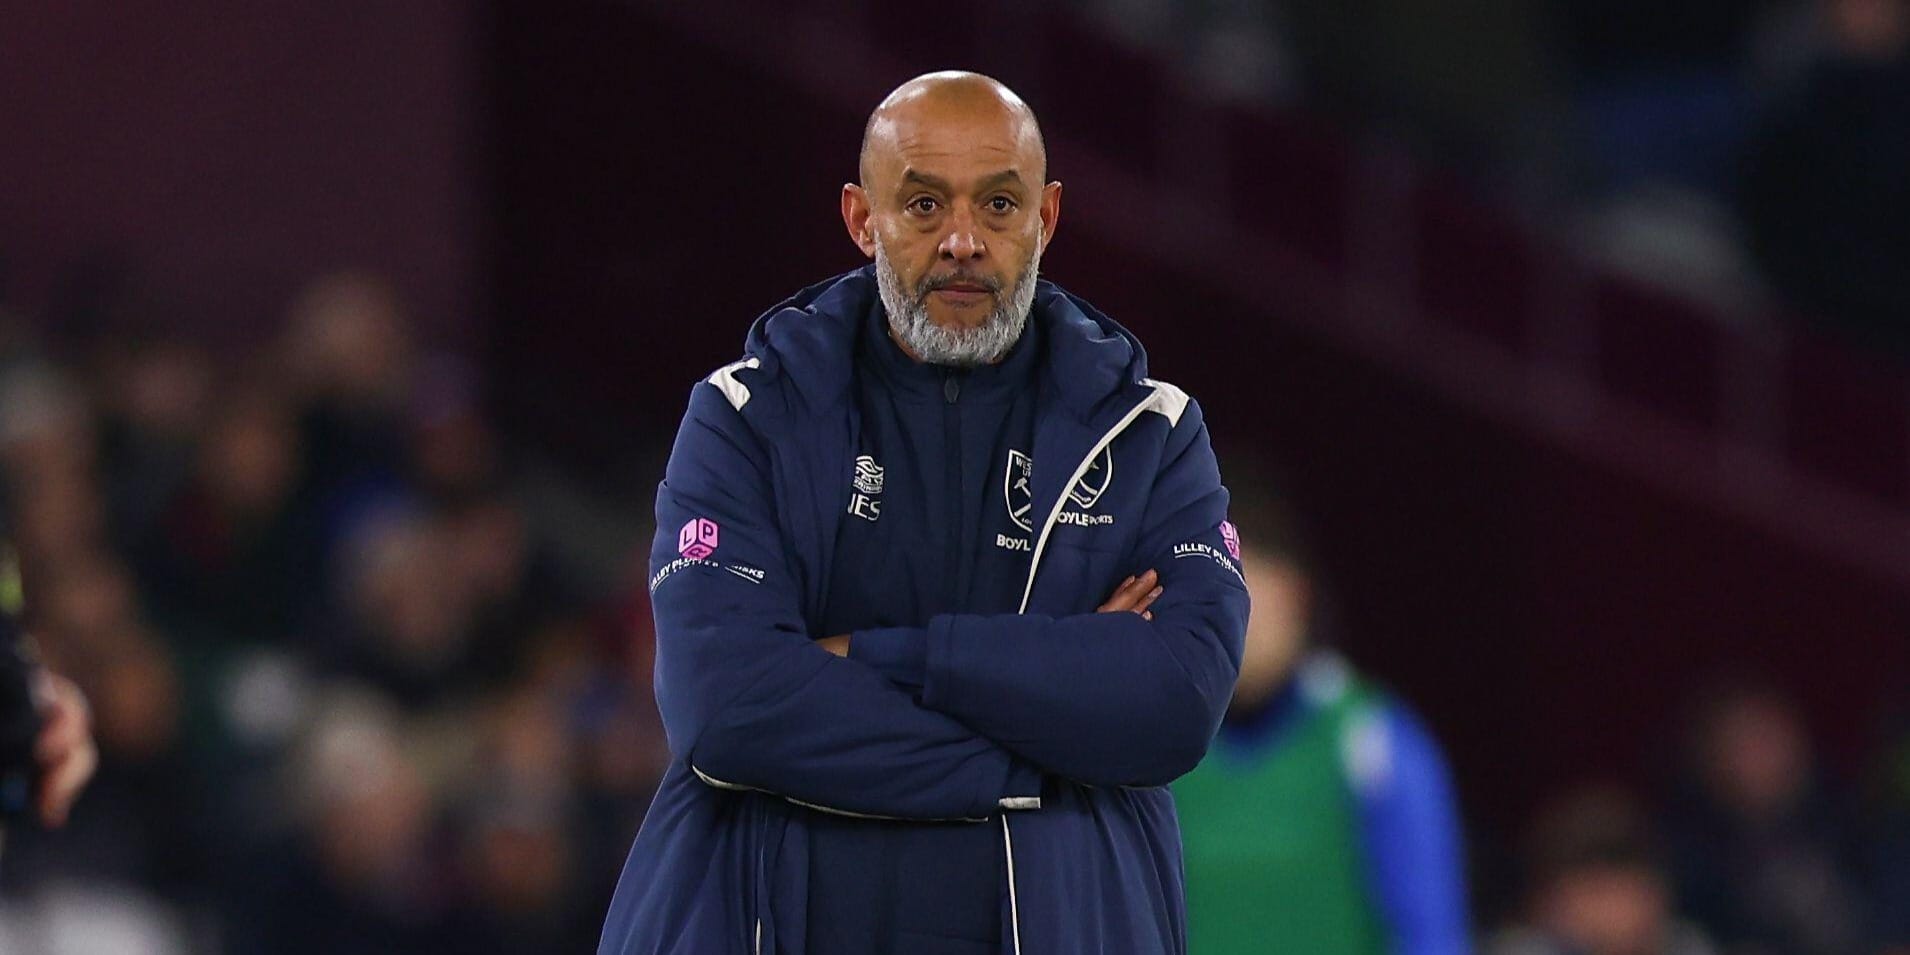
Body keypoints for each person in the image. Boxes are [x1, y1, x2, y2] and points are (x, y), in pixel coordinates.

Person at [598, 71, 1251, 955]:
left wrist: (878, 656)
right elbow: (727, 706)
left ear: (1046, 219)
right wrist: (1049, 746)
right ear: (862, 218)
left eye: (999, 204)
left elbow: (1175, 700)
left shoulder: (1151, 432)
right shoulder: (745, 416)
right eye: (922, 205)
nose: (962, 241)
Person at [1172, 486, 1470, 955]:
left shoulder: (1370, 744)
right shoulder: (1147, 750)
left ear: (1294, 595)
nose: (1222, 626)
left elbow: (1430, 936)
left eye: (1238, 599)